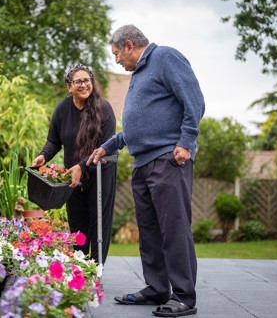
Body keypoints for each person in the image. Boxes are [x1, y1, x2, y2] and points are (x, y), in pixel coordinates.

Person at [87, 25, 205, 317]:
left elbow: (195, 101)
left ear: (129, 45)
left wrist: (186, 141)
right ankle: (157, 288)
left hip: (168, 158)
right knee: (150, 232)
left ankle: (184, 296)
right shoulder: (139, 74)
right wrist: (109, 145)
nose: (116, 61)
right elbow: (138, 126)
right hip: (143, 163)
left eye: (116, 54)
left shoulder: (165, 58)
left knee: (174, 229)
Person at [32, 63, 117, 264]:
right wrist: (44, 156)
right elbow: (54, 141)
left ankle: (96, 269)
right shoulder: (62, 109)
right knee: (77, 225)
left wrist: (82, 165)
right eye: (78, 81)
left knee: (98, 225)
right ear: (69, 86)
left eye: (87, 80)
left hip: (100, 173)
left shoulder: (104, 109)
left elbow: (106, 146)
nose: (84, 85)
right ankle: (79, 268)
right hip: (73, 176)